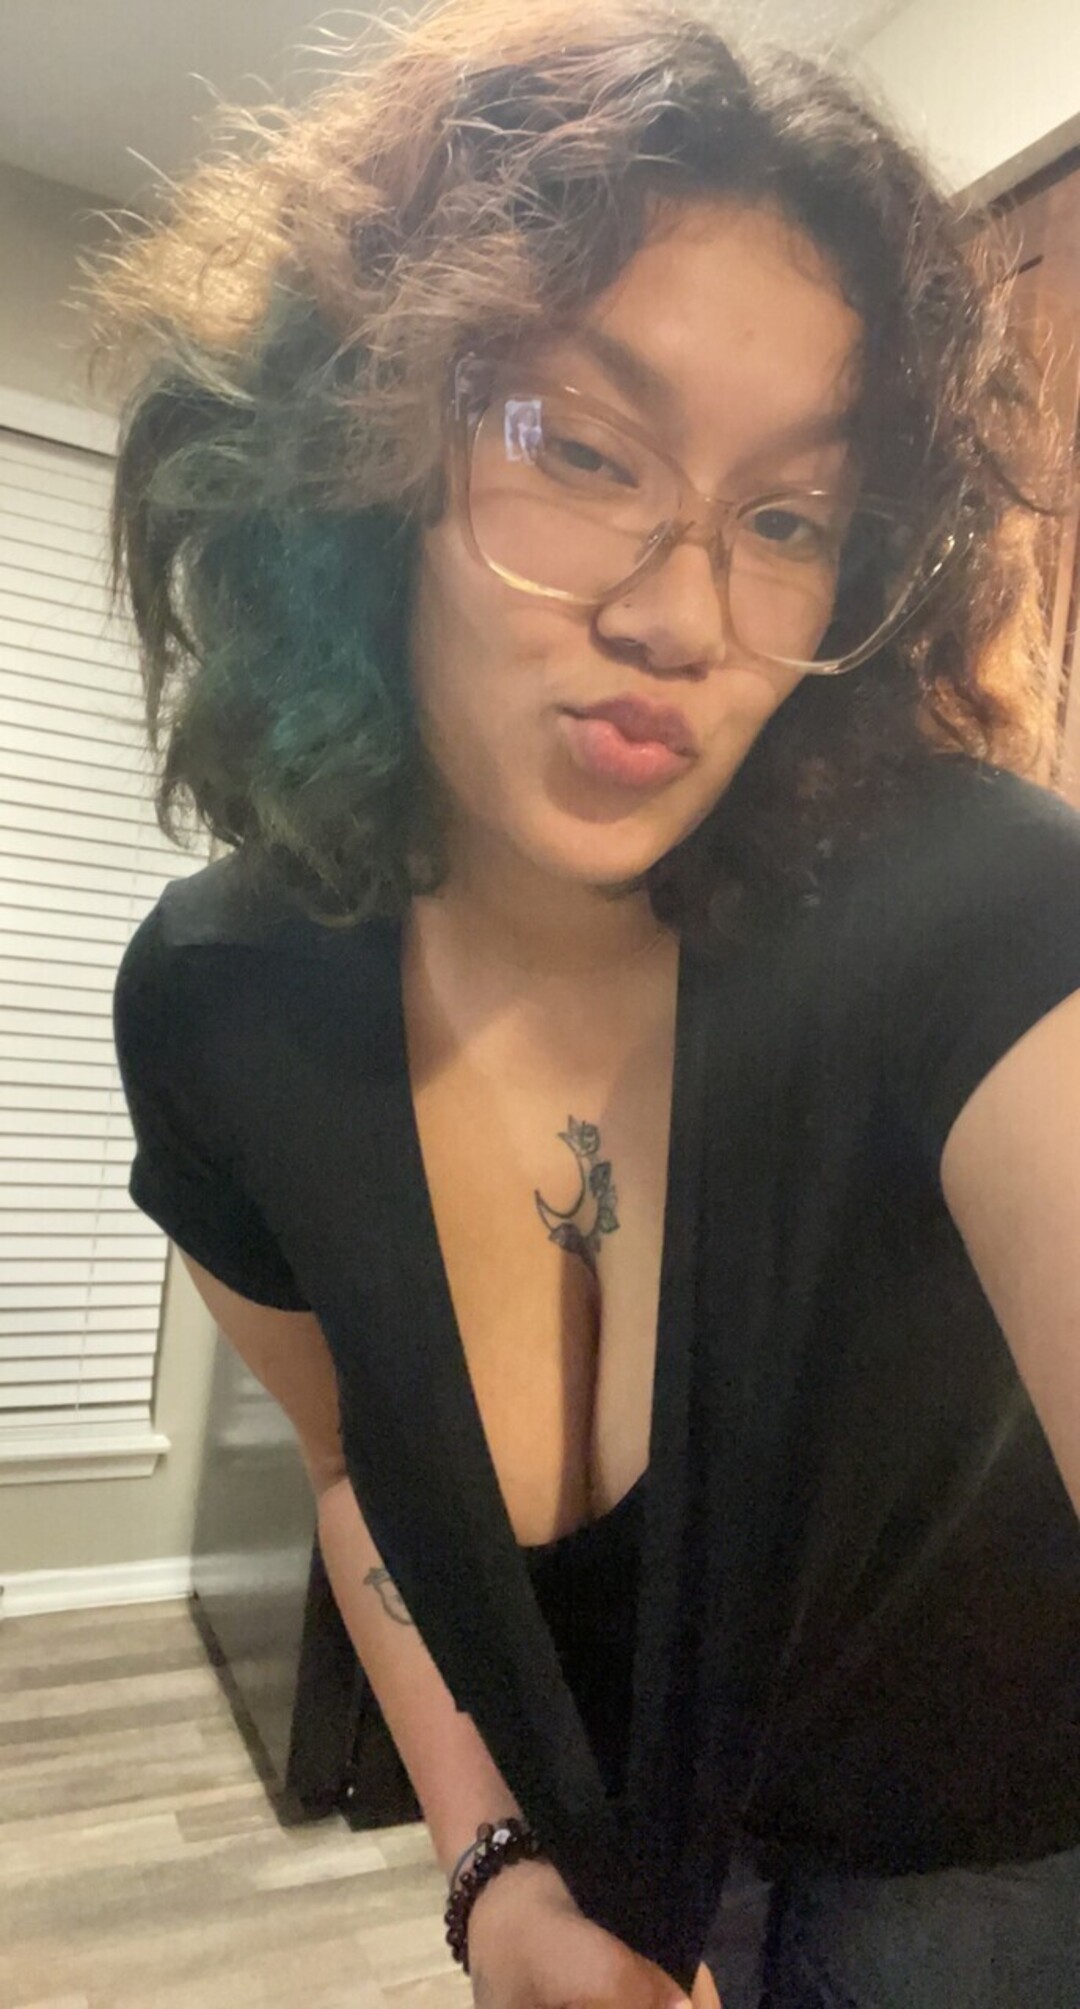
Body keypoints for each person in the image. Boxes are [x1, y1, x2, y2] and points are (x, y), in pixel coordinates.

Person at [91, 0, 1080, 2001]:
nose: (678, 612)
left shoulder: (968, 907)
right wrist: (492, 1872)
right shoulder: (223, 1012)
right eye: (578, 445)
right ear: (367, 453)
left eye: (786, 519)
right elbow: (360, 1469)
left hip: (996, 1866)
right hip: (625, 1850)